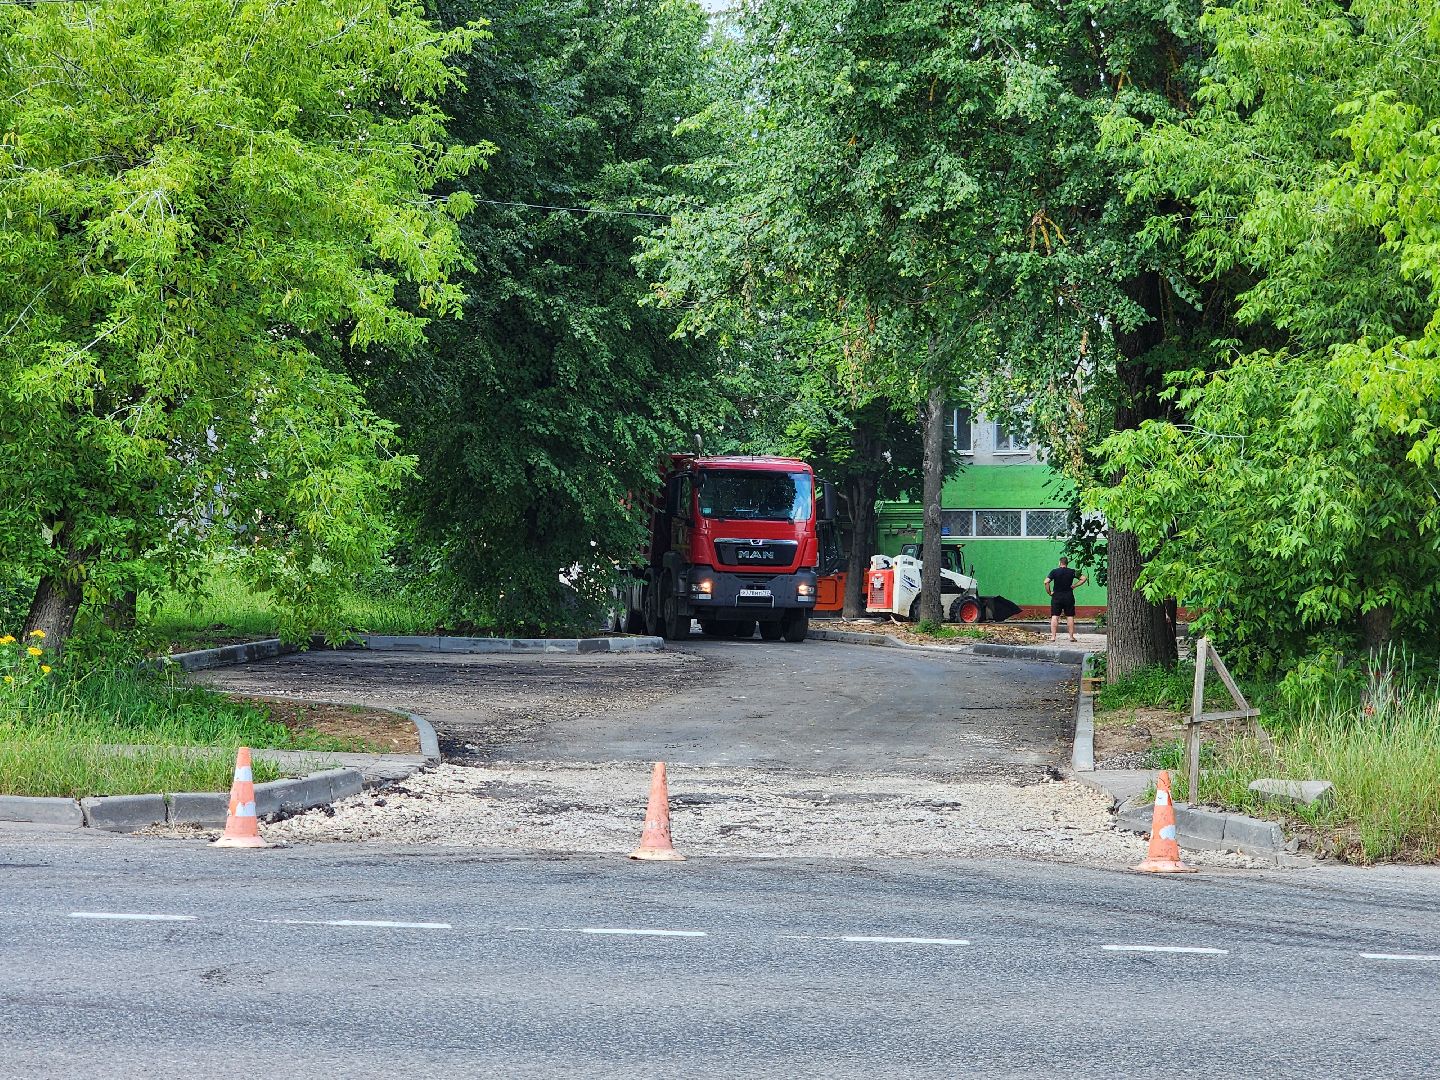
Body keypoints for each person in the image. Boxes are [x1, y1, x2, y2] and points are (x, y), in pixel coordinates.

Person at [1044, 557, 1087, 642]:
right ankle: (1071, 637)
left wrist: (1049, 592)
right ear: (1067, 563)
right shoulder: (1072, 571)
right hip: (1068, 596)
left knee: (1055, 616)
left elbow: (1046, 582)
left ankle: (1053, 637)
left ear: (1059, 562)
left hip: (1056, 596)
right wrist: (1074, 585)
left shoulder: (1054, 571)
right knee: (1070, 616)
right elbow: (1084, 578)